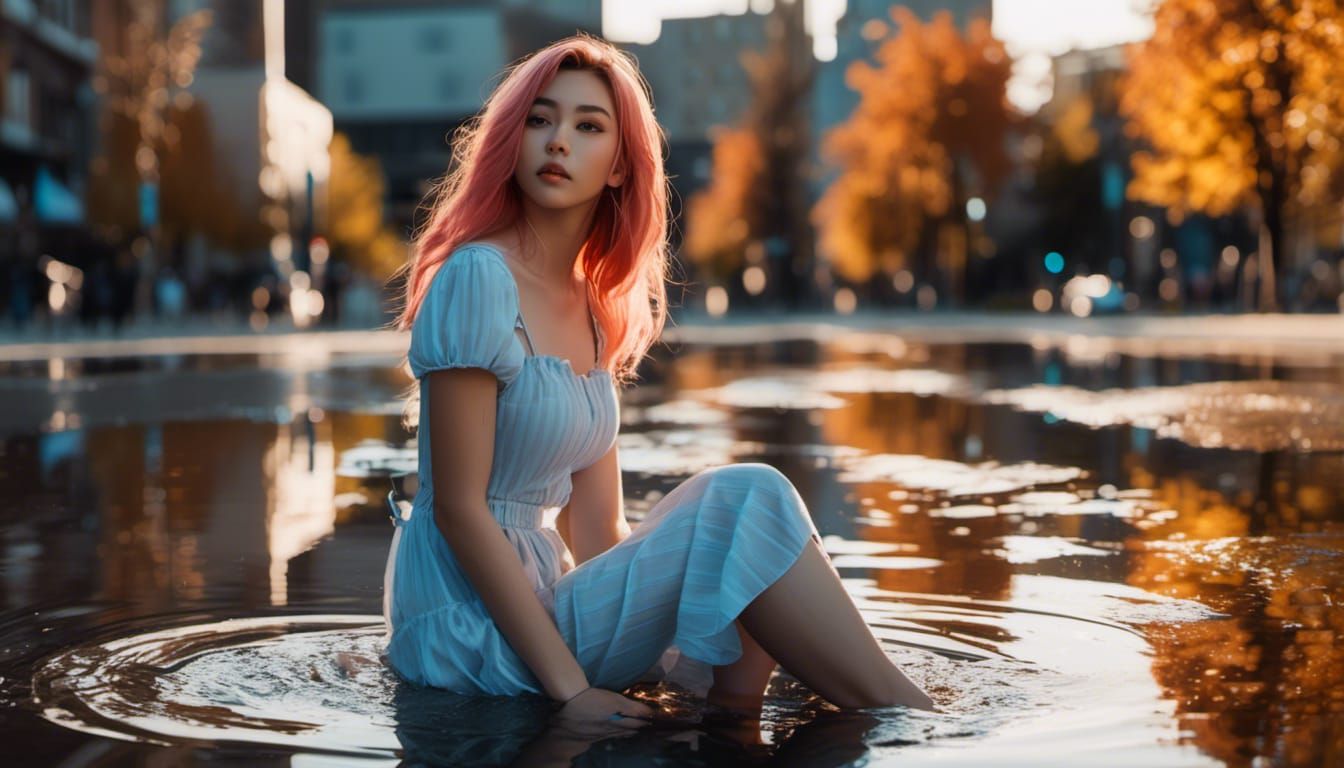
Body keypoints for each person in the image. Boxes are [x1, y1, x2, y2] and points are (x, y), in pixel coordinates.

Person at [385, 33, 934, 728]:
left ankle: (740, 720)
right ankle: (914, 721)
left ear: (619, 167)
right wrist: (572, 692)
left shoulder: (593, 308)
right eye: (540, 119)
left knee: (737, 547)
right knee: (749, 499)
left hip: (544, 603)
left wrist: (683, 608)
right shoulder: (476, 277)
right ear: (512, 137)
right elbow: (459, 512)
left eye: (588, 127)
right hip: (466, 627)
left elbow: (598, 530)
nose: (559, 141)